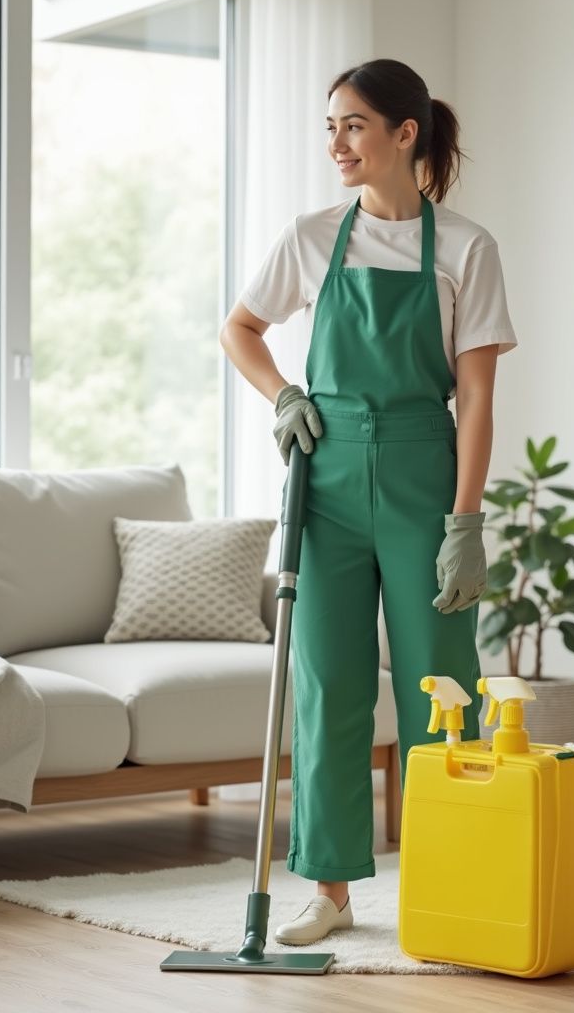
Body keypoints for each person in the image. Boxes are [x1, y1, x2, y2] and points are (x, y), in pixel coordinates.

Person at [219, 58, 517, 945]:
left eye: (353, 125)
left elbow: (478, 402)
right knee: (330, 686)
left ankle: (449, 880)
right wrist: (283, 395)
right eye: (330, 126)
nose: (336, 144)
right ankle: (331, 892)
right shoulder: (311, 236)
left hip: (426, 474)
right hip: (328, 473)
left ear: (404, 134)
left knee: (442, 693)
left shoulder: (467, 247)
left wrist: (466, 521)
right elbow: (239, 328)